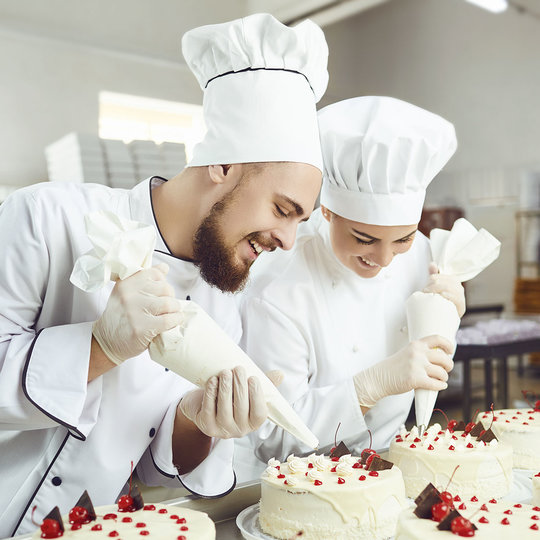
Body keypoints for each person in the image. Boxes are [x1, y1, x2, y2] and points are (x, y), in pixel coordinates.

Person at [0, 13, 328, 537]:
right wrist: (100, 348)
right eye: (283, 209)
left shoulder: (223, 299)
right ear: (223, 164)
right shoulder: (46, 218)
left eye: (300, 221)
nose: (288, 240)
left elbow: (151, 461)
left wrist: (203, 420)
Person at [235, 96, 465, 480]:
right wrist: (369, 386)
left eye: (403, 239)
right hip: (298, 481)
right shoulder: (279, 288)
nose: (385, 258)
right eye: (363, 239)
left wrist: (447, 315)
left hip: (389, 468)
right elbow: (273, 437)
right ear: (327, 211)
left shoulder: (421, 254)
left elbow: (431, 353)